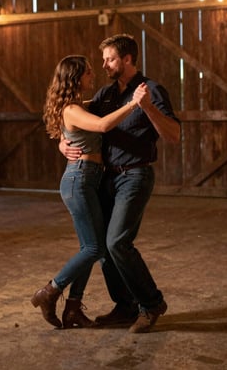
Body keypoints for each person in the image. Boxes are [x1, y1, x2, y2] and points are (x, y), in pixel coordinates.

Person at [60, 34, 181, 333]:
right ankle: (125, 306)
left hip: (136, 175)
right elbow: (71, 115)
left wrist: (147, 107)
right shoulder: (105, 94)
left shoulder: (151, 89)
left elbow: (174, 135)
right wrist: (62, 143)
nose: (103, 65)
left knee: (117, 242)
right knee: (101, 246)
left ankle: (151, 304)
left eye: (110, 59)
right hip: (107, 177)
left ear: (127, 60)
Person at [31, 54, 145, 329]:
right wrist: (134, 103)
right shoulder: (71, 109)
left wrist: (62, 143)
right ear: (75, 76)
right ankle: (50, 292)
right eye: (88, 72)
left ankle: (72, 308)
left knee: (91, 247)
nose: (93, 75)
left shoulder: (76, 106)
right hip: (79, 180)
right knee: (94, 248)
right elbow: (104, 125)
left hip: (89, 178)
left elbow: (73, 128)